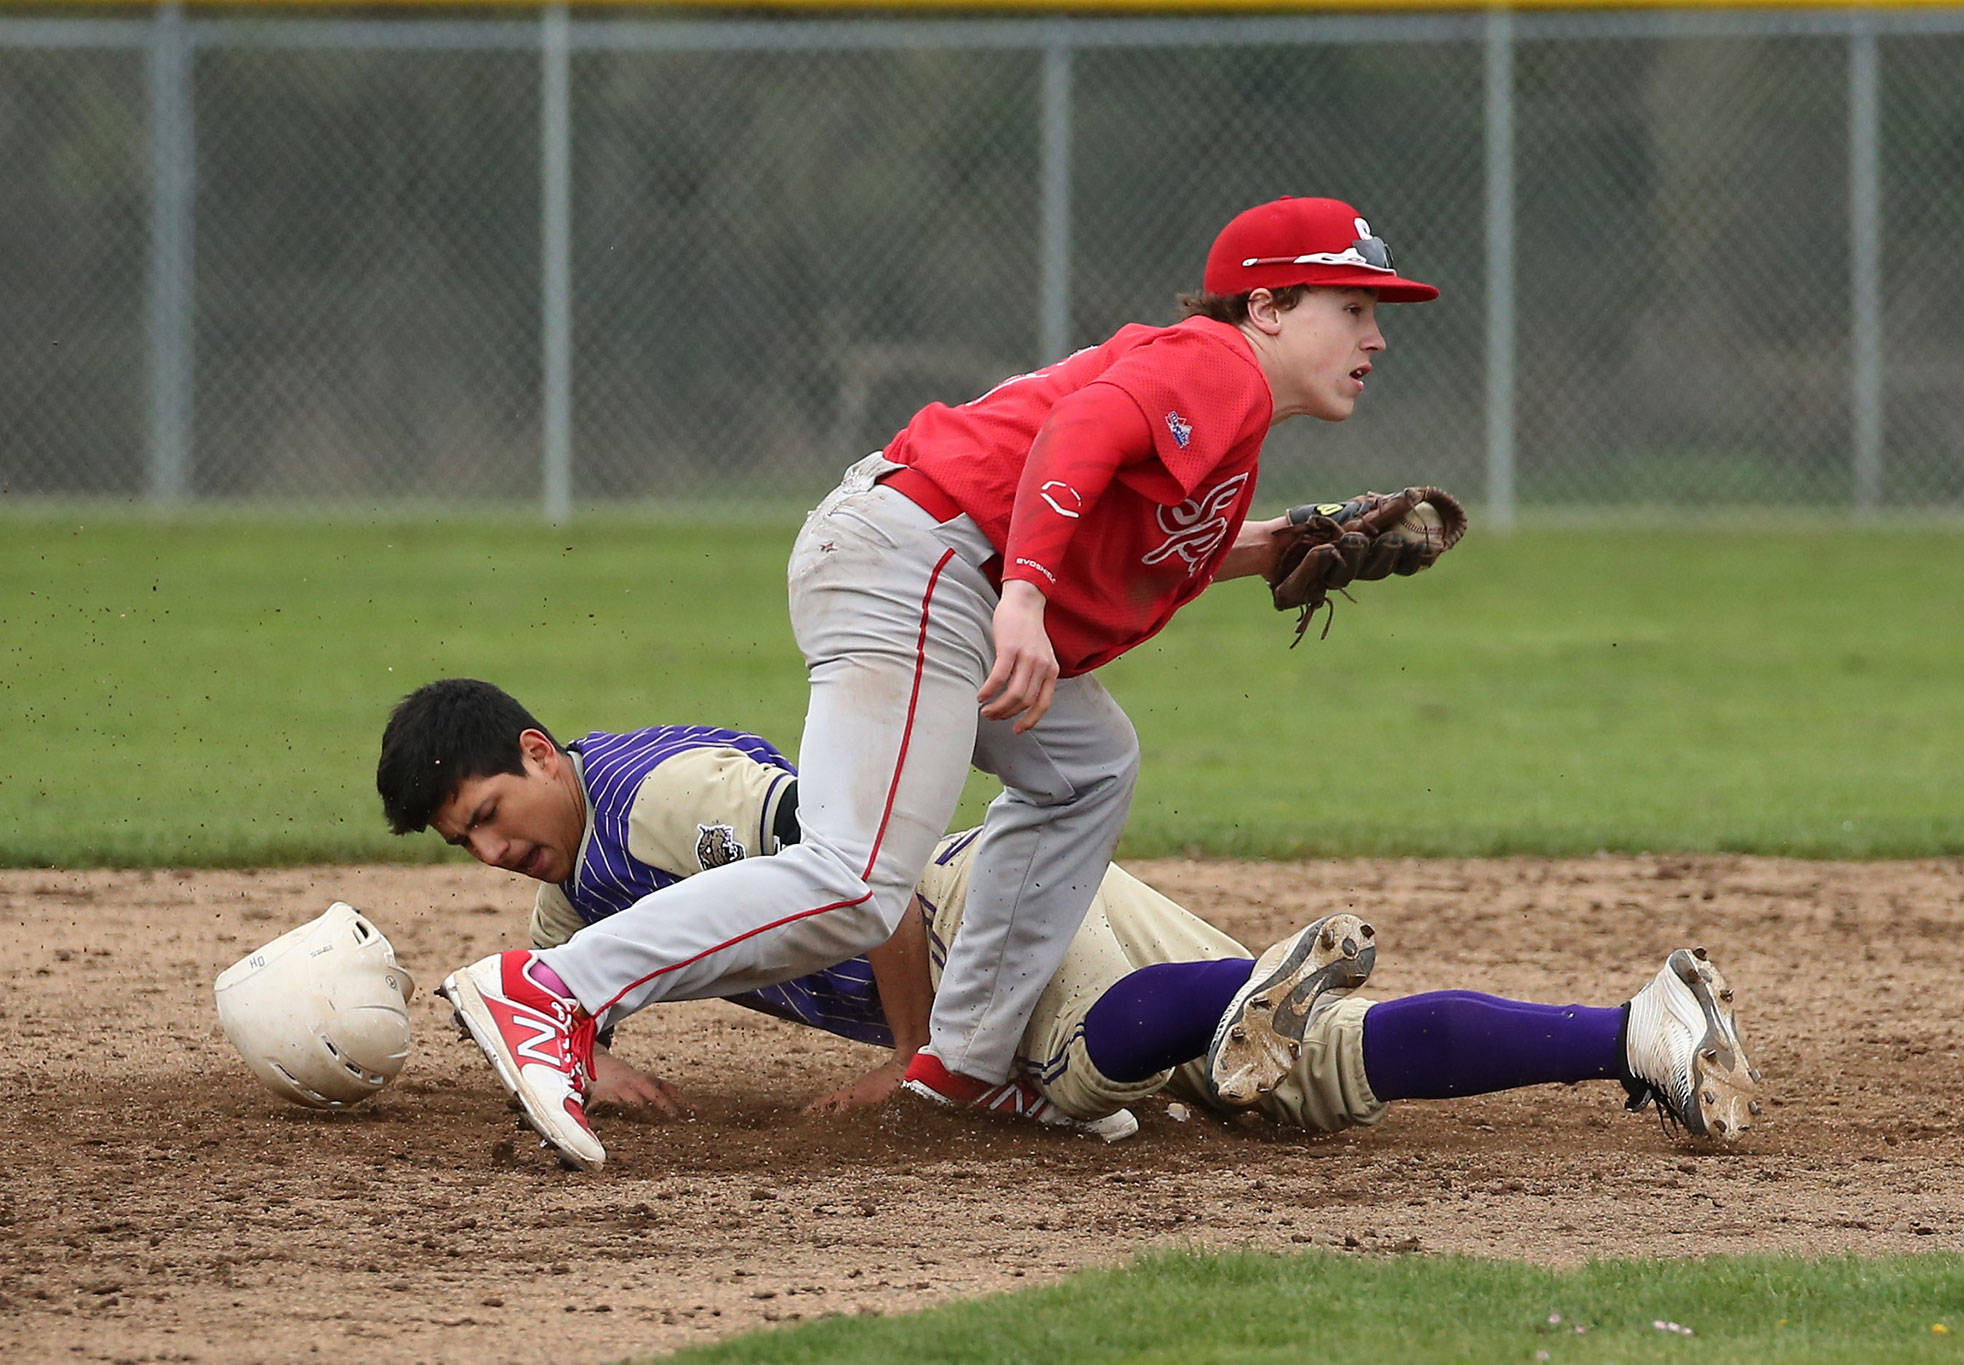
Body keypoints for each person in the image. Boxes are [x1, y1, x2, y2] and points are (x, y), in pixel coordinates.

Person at [419, 195, 1460, 1169]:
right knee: (855, 881)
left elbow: (1139, 533)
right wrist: (1024, 597)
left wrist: (1273, 545)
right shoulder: (1218, 363)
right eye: (1352, 307)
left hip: (933, 562)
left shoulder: (1226, 427)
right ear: (1267, 307)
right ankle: (552, 989)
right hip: (921, 561)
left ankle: (959, 1063)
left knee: (1087, 765)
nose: (1373, 337)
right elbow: (1078, 436)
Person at [378, 680, 1762, 1163]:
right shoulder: (575, 886)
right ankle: (1637, 1029)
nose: (495, 850)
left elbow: (865, 872)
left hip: (986, 916)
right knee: (1314, 1072)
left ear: (541, 748)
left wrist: (916, 1060)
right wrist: (596, 1044)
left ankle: (1214, 1016)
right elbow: (563, 988)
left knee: (1075, 1077)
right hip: (1061, 902)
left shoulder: (666, 795)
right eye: (467, 844)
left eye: (493, 807)